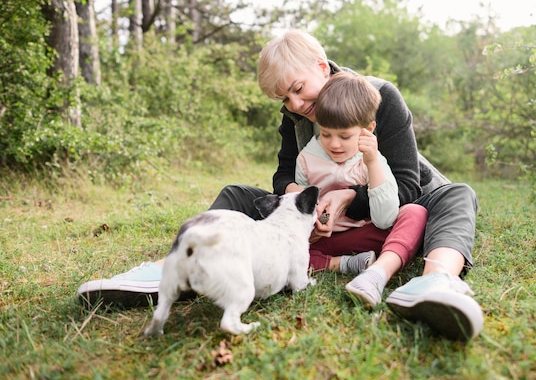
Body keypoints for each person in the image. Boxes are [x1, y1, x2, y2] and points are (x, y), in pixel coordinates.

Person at [77, 29, 483, 341]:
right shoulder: (294, 117)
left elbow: (408, 186)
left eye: (297, 89)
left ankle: (437, 281)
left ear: (322, 67)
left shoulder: (378, 96)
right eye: (283, 98)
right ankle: (175, 270)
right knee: (238, 195)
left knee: (458, 194)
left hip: (391, 206)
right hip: (322, 219)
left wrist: (347, 199)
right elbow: (283, 174)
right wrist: (298, 205)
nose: (293, 104)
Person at [295, 71, 428, 306]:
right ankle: (342, 264)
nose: (334, 144)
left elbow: (385, 219)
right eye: (326, 134)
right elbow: (300, 208)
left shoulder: (371, 160)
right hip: (326, 239)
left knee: (415, 214)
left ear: (368, 129)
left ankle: (376, 273)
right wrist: (310, 225)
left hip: (367, 233)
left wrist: (373, 162)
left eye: (345, 136)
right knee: (293, 251)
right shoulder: (306, 158)